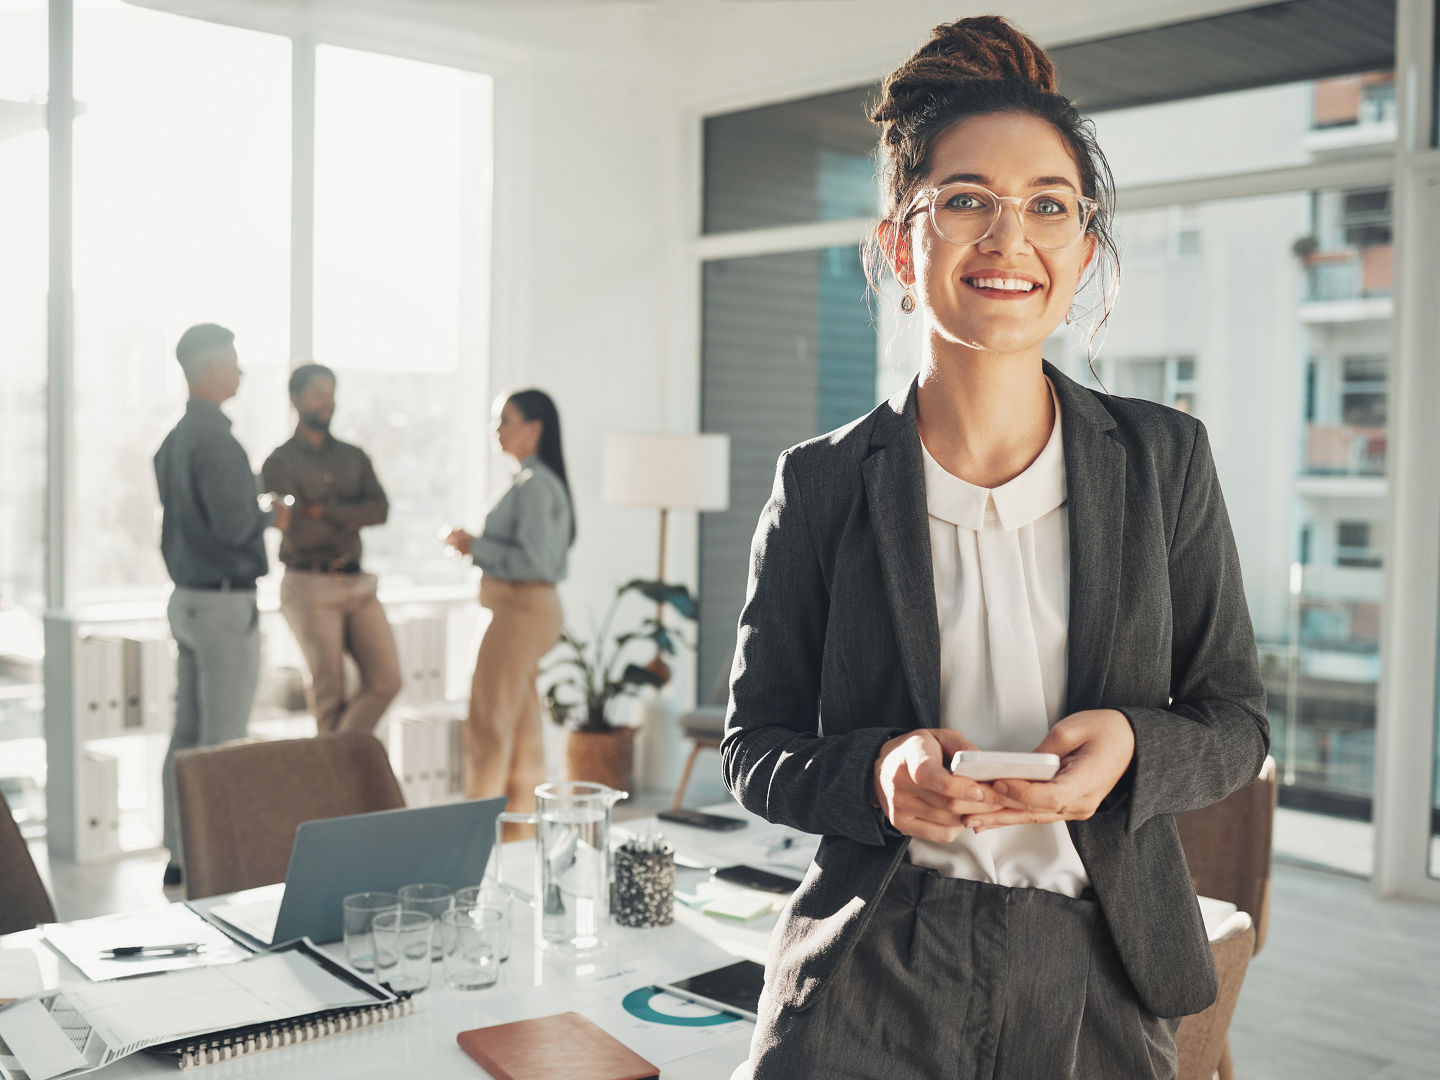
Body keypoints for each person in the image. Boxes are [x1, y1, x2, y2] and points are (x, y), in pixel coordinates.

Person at [722, 17, 1268, 1080]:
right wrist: (879, 772)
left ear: (1082, 244)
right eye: (966, 198)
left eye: (1048, 207)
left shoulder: (1164, 462)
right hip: (874, 958)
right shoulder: (823, 483)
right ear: (899, 243)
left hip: (1100, 965)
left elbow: (1237, 722)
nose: (1008, 237)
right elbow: (757, 746)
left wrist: (1132, 751)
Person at [154, 323, 290, 888]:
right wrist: (271, 514)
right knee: (223, 741)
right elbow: (236, 524)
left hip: (185, 601)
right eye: (233, 363)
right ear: (210, 369)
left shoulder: (172, 441)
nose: (241, 372)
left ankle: (182, 854)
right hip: (223, 605)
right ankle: (218, 864)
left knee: (186, 736)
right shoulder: (221, 443)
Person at [444, 389, 574, 821]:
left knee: (488, 723)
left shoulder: (536, 485)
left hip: (521, 610)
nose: (495, 430)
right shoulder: (529, 481)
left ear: (533, 429)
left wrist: (474, 546)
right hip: (524, 610)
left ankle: (474, 828)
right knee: (519, 727)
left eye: (505, 420)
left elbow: (534, 561)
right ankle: (519, 831)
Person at [260, 364, 401, 736]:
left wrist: (323, 510)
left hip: (356, 580)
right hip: (309, 583)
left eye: (332, 392)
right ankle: (337, 776)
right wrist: (349, 514)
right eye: (318, 393)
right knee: (329, 695)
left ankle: (335, 756)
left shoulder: (354, 456)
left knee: (387, 681)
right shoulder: (279, 462)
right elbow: (299, 531)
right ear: (295, 398)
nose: (328, 402)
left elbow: (380, 510)